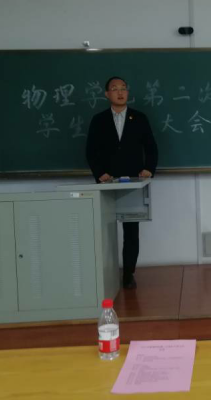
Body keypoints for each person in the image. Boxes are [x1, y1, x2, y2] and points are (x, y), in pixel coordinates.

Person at [86, 76, 158, 289]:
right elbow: (91, 151)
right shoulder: (98, 120)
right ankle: (104, 273)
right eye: (115, 88)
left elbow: (151, 147)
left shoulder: (139, 118)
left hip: (133, 182)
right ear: (106, 94)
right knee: (104, 231)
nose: (120, 92)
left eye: (123, 88)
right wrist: (99, 173)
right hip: (107, 181)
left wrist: (148, 169)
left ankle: (128, 274)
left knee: (131, 231)